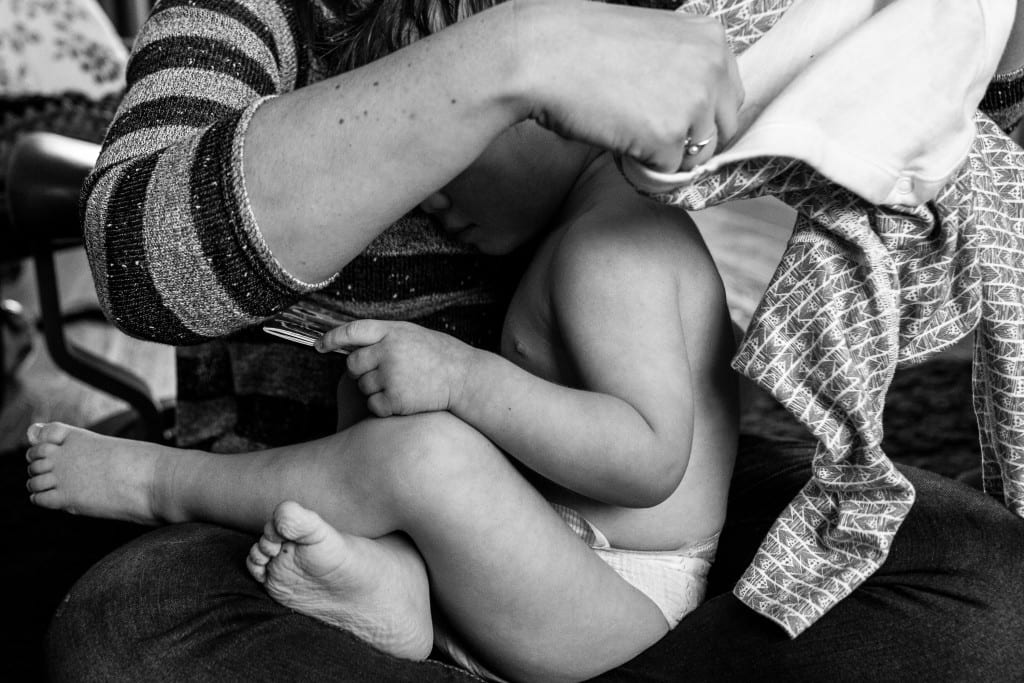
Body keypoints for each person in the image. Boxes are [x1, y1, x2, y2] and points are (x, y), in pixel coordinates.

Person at [34, 0, 1024, 681]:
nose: (425, 178)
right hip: (346, 512)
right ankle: (424, 619)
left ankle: (438, 637)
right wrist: (507, 60)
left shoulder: (615, 244)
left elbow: (646, 460)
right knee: (128, 627)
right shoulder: (264, 15)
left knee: (984, 580)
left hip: (604, 555)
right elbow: (136, 261)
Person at [28, 113, 739, 680]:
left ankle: (163, 485)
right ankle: (398, 589)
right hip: (553, 568)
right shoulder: (585, 233)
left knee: (426, 456)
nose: (427, 193)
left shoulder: (611, 251)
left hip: (618, 603)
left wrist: (461, 378)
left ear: (549, 112)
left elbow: (648, 462)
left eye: (448, 152)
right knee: (380, 395)